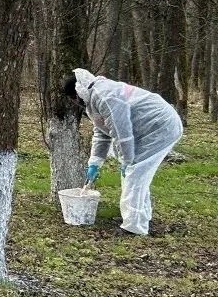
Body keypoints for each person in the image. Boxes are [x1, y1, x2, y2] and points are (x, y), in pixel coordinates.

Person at [64, 69, 184, 236]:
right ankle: (141, 218)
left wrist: (126, 159)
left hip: (160, 126)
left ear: (76, 94)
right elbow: (102, 131)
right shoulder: (95, 97)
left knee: (133, 175)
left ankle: (134, 227)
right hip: (149, 128)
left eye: (72, 100)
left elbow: (122, 133)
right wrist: (94, 163)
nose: (74, 103)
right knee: (138, 175)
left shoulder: (104, 96)